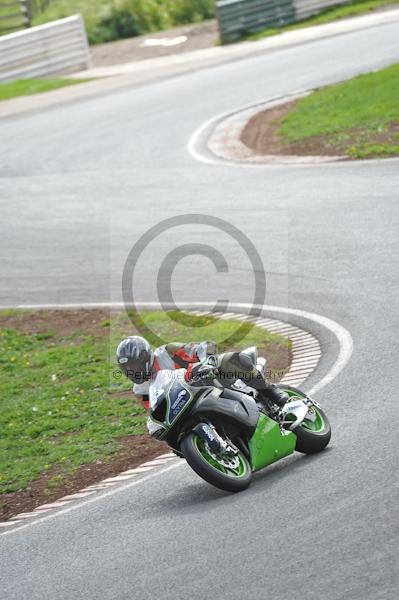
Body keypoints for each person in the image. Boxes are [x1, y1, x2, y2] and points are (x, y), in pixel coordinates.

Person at [116, 336, 288, 418]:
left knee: (230, 360)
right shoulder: (140, 390)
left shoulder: (167, 352)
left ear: (145, 358)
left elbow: (202, 347)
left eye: (134, 364)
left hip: (208, 380)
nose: (133, 370)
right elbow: (156, 413)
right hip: (188, 407)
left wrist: (205, 363)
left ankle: (271, 392)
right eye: (127, 367)